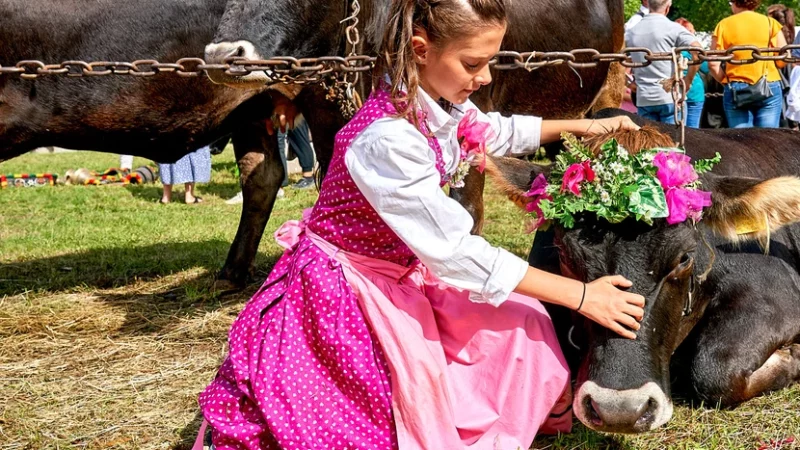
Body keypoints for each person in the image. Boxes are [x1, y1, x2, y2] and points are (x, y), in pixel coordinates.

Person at [197, 0, 645, 448]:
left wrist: (583, 129)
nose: (486, 77)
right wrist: (584, 296)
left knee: (524, 320)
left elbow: (494, 131)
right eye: (474, 63)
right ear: (421, 49)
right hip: (348, 289)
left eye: (490, 61)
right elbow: (456, 253)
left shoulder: (432, 102)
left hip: (401, 269)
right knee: (369, 415)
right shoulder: (388, 139)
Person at [708, 0, 788, 128]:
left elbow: (713, 64)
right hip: (768, 85)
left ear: (734, 3)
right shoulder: (770, 23)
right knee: (768, 141)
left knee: (741, 142)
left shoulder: (724, 25)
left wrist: (725, 80)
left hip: (736, 88)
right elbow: (783, 58)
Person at [625, 0, 703, 125]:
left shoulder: (631, 31)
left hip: (644, 99)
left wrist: (627, 82)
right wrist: (688, 81)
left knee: (649, 143)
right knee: (674, 143)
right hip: (671, 98)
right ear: (668, 7)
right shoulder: (674, 29)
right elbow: (698, 52)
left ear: (648, 4)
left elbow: (614, 58)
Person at [676, 18, 710, 128]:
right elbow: (706, 68)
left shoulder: (671, 51)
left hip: (676, 92)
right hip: (695, 91)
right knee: (693, 131)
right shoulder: (696, 51)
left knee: (677, 129)